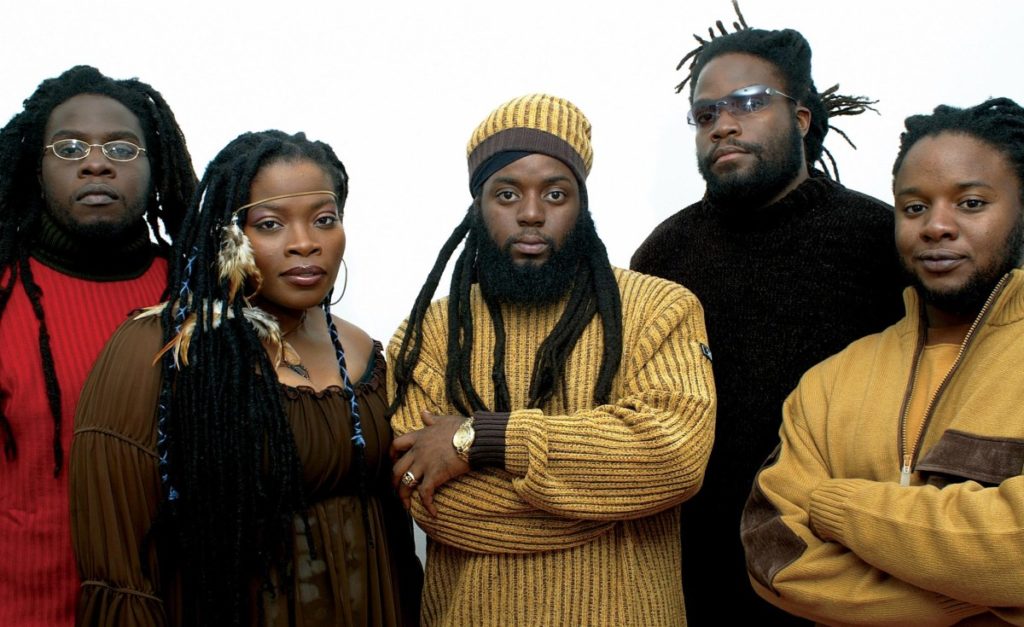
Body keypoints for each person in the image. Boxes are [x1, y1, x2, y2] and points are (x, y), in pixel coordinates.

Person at [387, 93, 715, 625]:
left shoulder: (660, 309)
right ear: (478, 206)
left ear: (581, 203)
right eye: (507, 194)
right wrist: (610, 500)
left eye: (555, 193)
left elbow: (674, 459)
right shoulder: (429, 333)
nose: (532, 214)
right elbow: (438, 507)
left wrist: (484, 438)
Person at [69, 130, 422, 625]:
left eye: (324, 220)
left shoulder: (361, 348)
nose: (305, 243)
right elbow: (121, 568)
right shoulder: (159, 349)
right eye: (270, 224)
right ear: (227, 236)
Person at [629, 6, 906, 622]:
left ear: (801, 117)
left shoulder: (880, 241)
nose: (723, 125)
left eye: (749, 103)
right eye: (706, 114)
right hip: (691, 581)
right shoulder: (663, 256)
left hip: (843, 578)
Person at [741, 98, 1024, 625]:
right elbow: (774, 555)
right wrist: (979, 594)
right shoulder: (830, 382)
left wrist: (835, 504)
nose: (936, 226)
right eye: (914, 208)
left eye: (970, 203)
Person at [0, 65, 196, 626]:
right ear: (34, 168)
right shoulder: (4, 296)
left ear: (155, 167)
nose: (95, 162)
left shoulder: (197, 296)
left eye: (121, 147)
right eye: (68, 148)